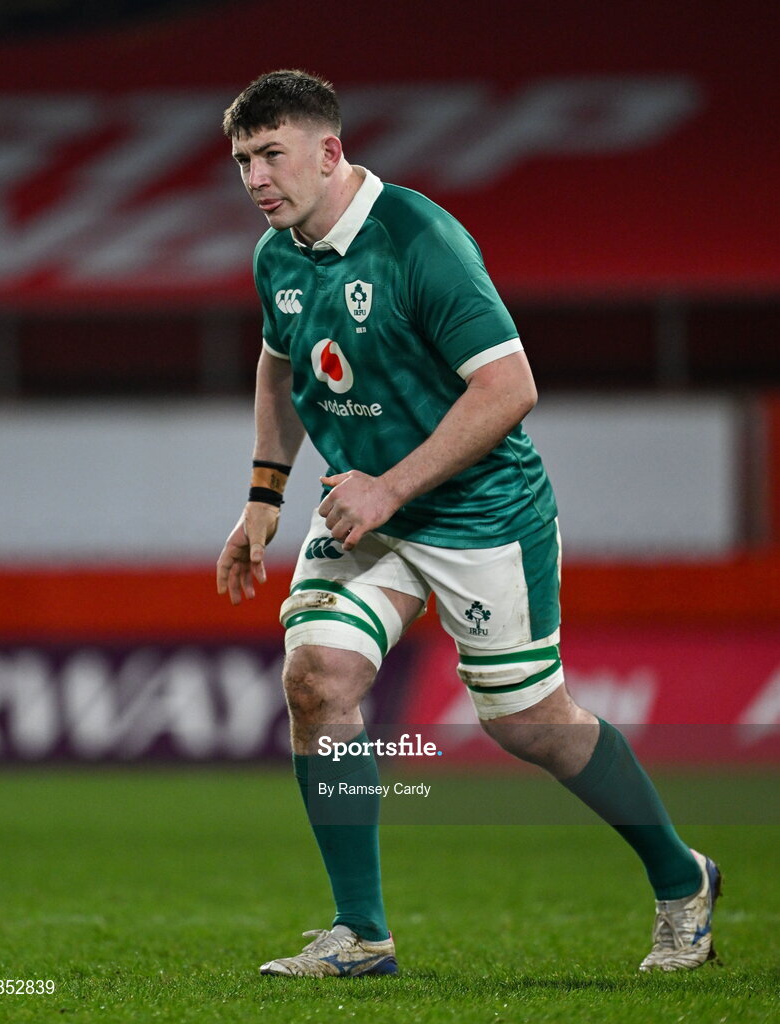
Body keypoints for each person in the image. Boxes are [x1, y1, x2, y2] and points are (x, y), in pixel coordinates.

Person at [216, 69, 721, 977]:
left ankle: (681, 878)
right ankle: (360, 933)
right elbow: (280, 364)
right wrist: (262, 495)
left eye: (271, 155)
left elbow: (509, 386)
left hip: (481, 511)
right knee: (316, 678)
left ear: (329, 151)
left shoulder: (420, 239)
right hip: (370, 508)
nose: (255, 177)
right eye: (243, 159)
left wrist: (388, 489)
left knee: (528, 723)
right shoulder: (277, 251)